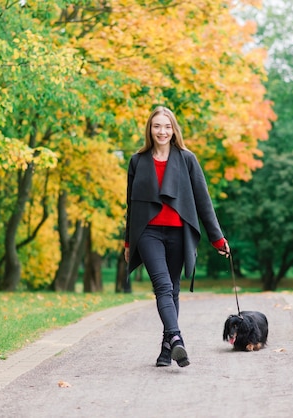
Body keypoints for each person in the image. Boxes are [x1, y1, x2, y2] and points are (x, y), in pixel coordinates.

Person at [124, 106, 230, 368]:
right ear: (150, 129)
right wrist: (128, 242)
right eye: (157, 126)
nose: (162, 131)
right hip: (148, 233)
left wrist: (217, 239)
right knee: (162, 286)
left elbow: (203, 201)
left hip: (178, 233)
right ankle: (176, 336)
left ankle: (165, 349)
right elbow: (131, 205)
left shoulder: (187, 159)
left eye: (167, 126)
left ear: (174, 129)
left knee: (173, 289)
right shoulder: (138, 161)